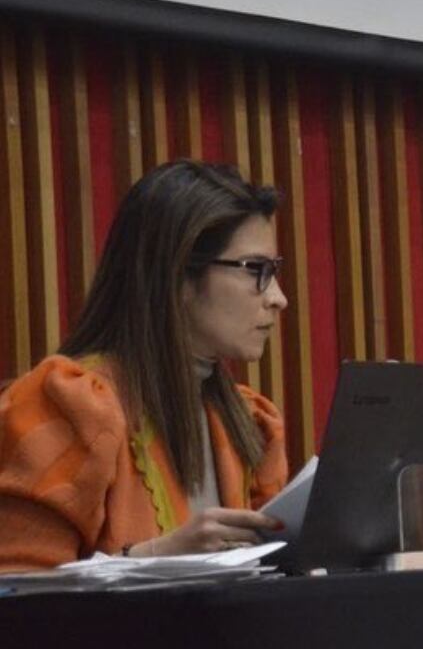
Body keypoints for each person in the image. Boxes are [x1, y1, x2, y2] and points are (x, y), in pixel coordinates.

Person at [0, 161, 289, 572]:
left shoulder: (250, 423)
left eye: (274, 271)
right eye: (255, 270)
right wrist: (155, 558)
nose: (278, 297)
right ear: (177, 275)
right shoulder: (65, 404)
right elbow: (16, 597)